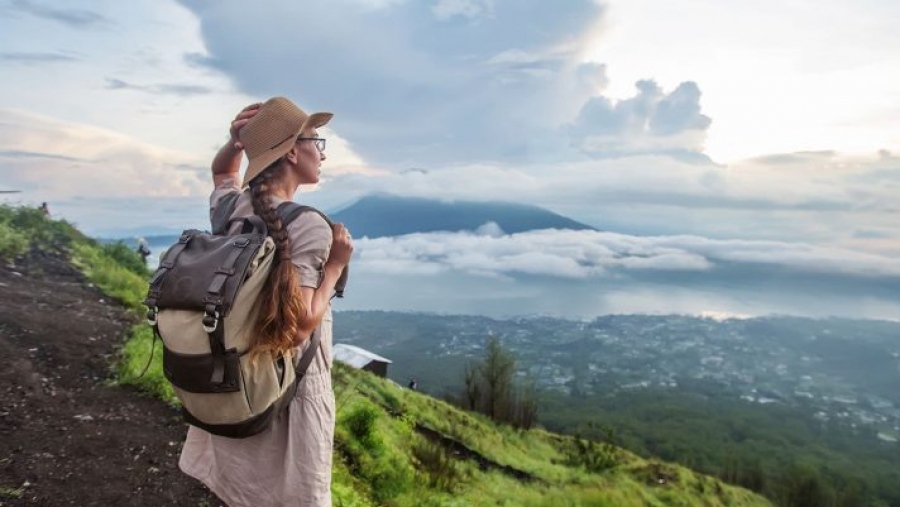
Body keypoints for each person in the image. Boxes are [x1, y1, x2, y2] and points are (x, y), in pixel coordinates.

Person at [178, 97, 353, 507]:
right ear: (292, 151)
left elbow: (223, 172)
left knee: (237, 489)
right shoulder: (309, 225)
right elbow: (297, 329)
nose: (321, 152)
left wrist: (235, 144)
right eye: (316, 141)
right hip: (283, 394)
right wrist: (335, 267)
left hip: (235, 380)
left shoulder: (232, 207)